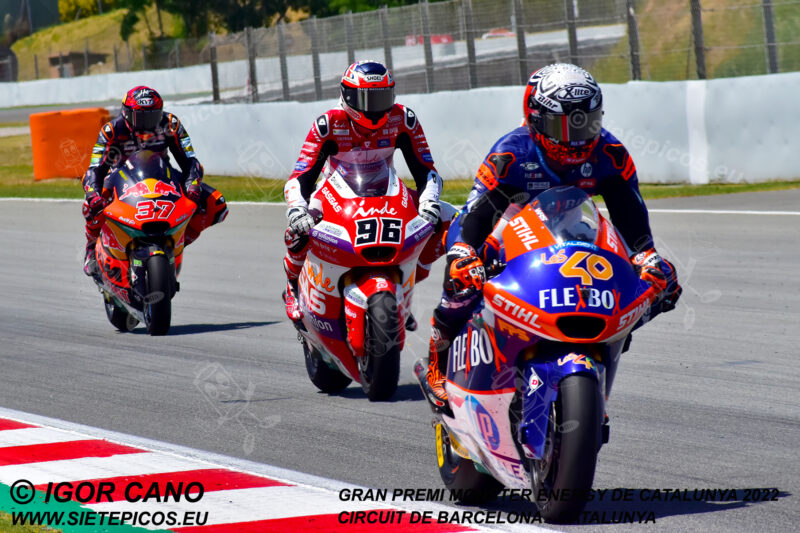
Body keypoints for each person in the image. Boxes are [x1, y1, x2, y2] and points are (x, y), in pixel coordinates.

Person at [417, 63, 683, 411]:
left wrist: (646, 257)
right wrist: (464, 251)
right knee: (462, 277)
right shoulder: (512, 153)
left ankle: (605, 340)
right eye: (564, 126)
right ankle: (439, 358)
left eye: (586, 123)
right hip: (508, 226)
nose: (576, 139)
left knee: (663, 284)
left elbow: (629, 215)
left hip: (572, 229)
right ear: (536, 119)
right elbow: (475, 214)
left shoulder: (610, 154)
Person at [282, 60, 450, 325]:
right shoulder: (328, 124)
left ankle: (403, 288)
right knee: (296, 231)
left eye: (381, 98)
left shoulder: (403, 119)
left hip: (387, 190)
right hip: (334, 192)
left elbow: (427, 171)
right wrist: (296, 209)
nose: (375, 108)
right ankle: (292, 286)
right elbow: (300, 177)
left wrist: (429, 202)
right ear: (348, 96)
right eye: (367, 99)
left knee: (448, 218)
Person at [81, 86, 228, 275]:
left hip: (163, 176)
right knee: (91, 205)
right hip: (121, 179)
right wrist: (93, 193)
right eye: (140, 118)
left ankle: (178, 241)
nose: (147, 125)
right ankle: (91, 248)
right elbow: (95, 168)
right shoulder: (111, 131)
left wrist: (192, 185)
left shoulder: (171, 124)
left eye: (153, 117)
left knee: (216, 204)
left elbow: (190, 160)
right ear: (126, 114)